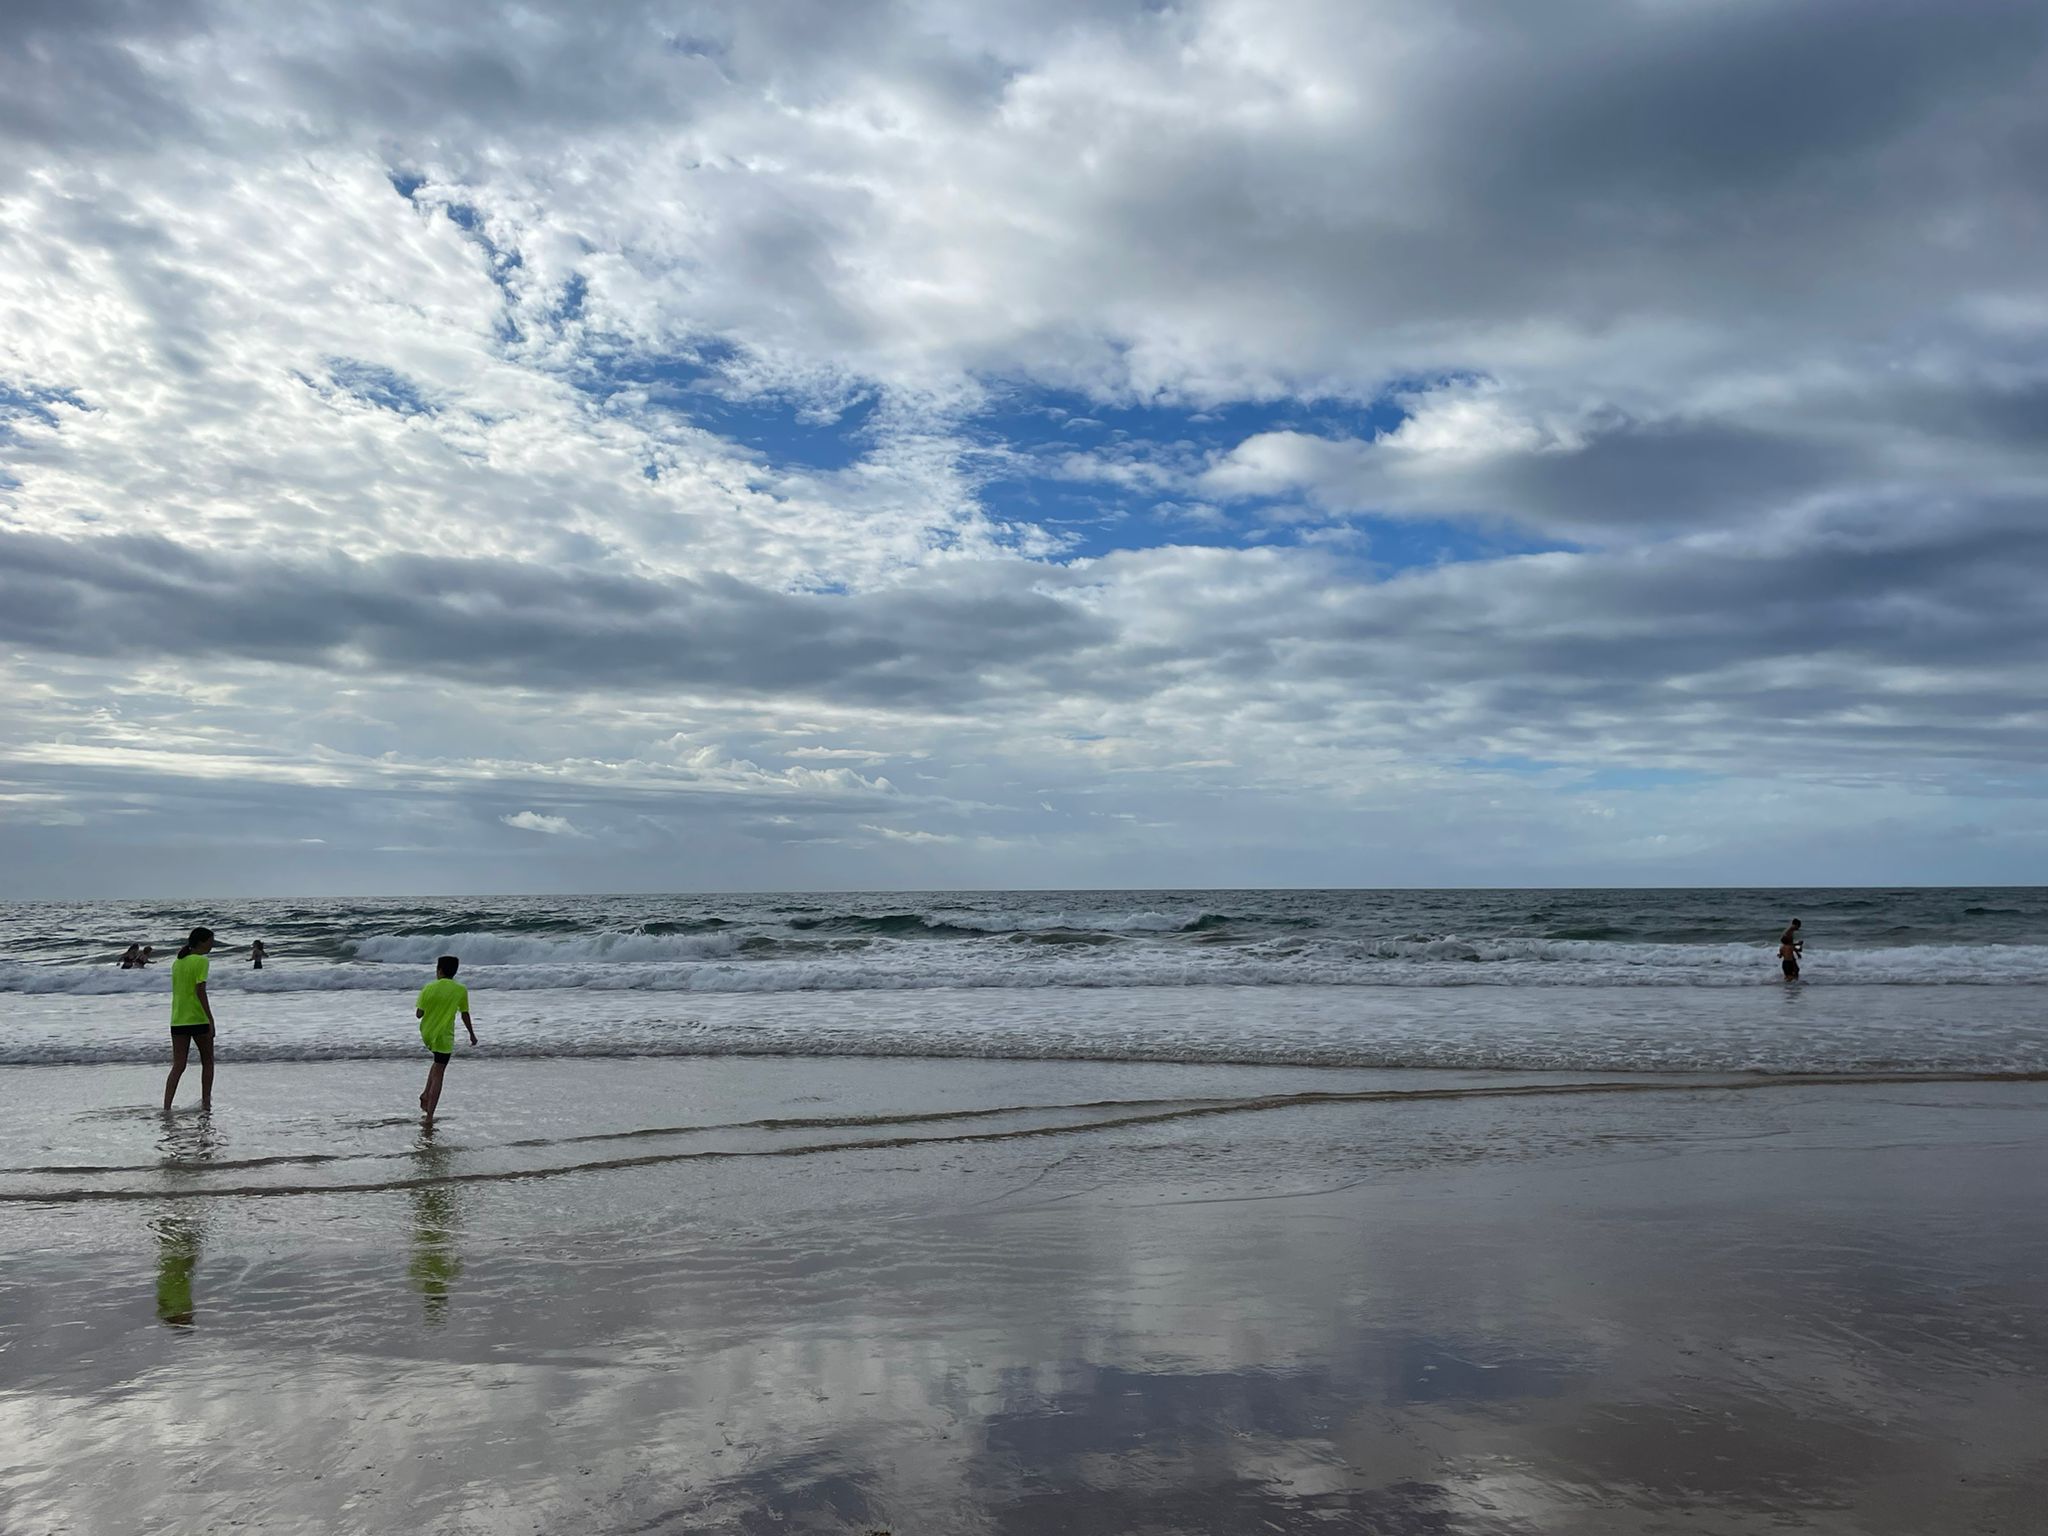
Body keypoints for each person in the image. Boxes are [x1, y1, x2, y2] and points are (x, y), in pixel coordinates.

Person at [415, 955, 476, 1126]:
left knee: (437, 1064)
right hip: (444, 1036)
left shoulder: (428, 987)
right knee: (440, 1072)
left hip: (427, 1034)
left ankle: (425, 1093)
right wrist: (472, 1034)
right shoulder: (460, 989)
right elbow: (464, 1014)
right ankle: (429, 1116)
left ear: (439, 970)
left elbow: (419, 1014)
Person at [164, 926, 217, 1112]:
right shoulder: (201, 961)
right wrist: (210, 1019)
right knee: (208, 1062)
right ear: (201, 942)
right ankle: (206, 1103)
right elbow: (200, 991)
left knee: (178, 1065)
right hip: (197, 1018)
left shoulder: (177, 962)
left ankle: (166, 1106)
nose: (212, 945)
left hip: (178, 1019)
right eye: (210, 941)